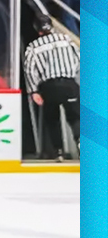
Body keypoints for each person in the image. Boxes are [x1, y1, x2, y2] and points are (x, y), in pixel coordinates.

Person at [23, 22, 80, 160]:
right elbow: (79, 58)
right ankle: (80, 141)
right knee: (75, 117)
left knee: (52, 120)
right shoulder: (66, 40)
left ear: (38, 30)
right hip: (69, 83)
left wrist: (33, 91)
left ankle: (58, 151)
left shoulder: (34, 46)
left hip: (49, 86)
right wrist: (73, 72)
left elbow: (30, 69)